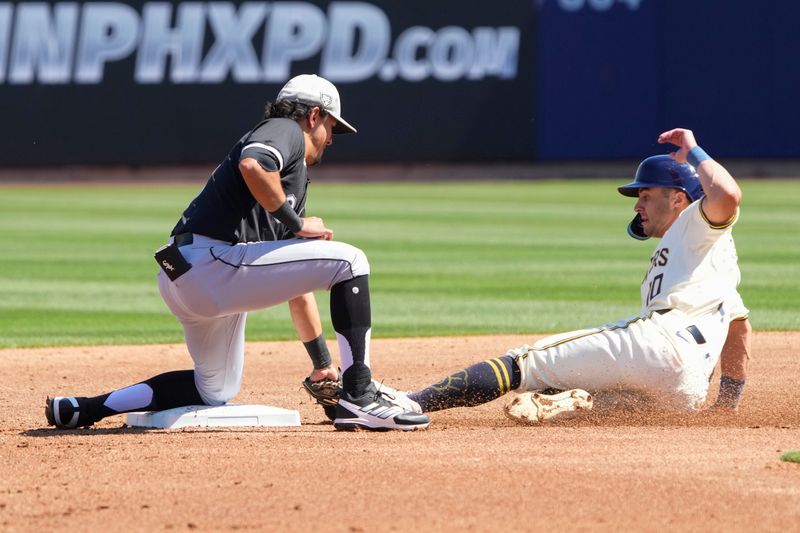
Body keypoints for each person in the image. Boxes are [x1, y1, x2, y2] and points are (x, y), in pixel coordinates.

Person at [45, 74, 429, 431]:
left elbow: (297, 287)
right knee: (351, 260)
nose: (331, 138)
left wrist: (322, 365)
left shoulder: (287, 182)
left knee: (213, 390)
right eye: (331, 127)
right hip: (212, 265)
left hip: (184, 274)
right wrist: (297, 223)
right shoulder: (286, 130)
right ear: (314, 115)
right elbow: (252, 164)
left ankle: (87, 407)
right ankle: (359, 397)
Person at [405, 128, 751, 422]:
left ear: (678, 199)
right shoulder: (712, 258)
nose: (636, 206)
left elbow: (728, 195)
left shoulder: (697, 220)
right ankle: (564, 401)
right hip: (686, 390)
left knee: (524, 362)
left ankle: (411, 402)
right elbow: (739, 326)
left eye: (645, 195)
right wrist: (727, 404)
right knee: (599, 402)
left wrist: (692, 150)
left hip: (658, 345)